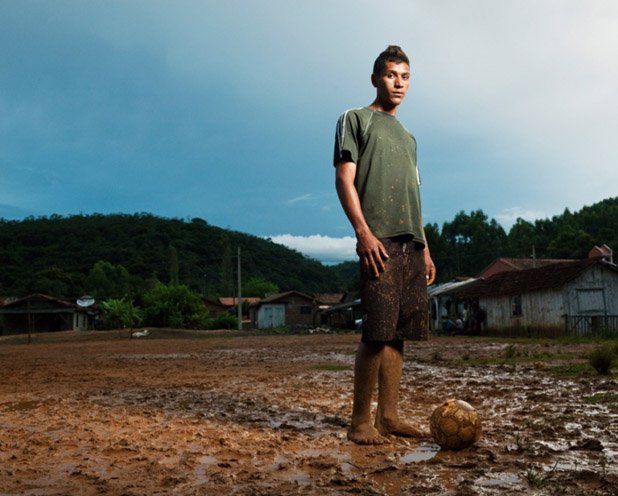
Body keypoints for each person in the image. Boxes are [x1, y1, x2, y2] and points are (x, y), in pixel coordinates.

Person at [333, 45, 436, 445]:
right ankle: (360, 422)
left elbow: (415, 194)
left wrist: (425, 247)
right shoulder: (355, 119)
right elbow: (344, 179)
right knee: (376, 332)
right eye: (392, 74)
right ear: (376, 77)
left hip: (412, 243)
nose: (399, 83)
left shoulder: (410, 139)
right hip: (378, 240)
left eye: (406, 76)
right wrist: (363, 232)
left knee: (398, 334)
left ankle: (389, 417)